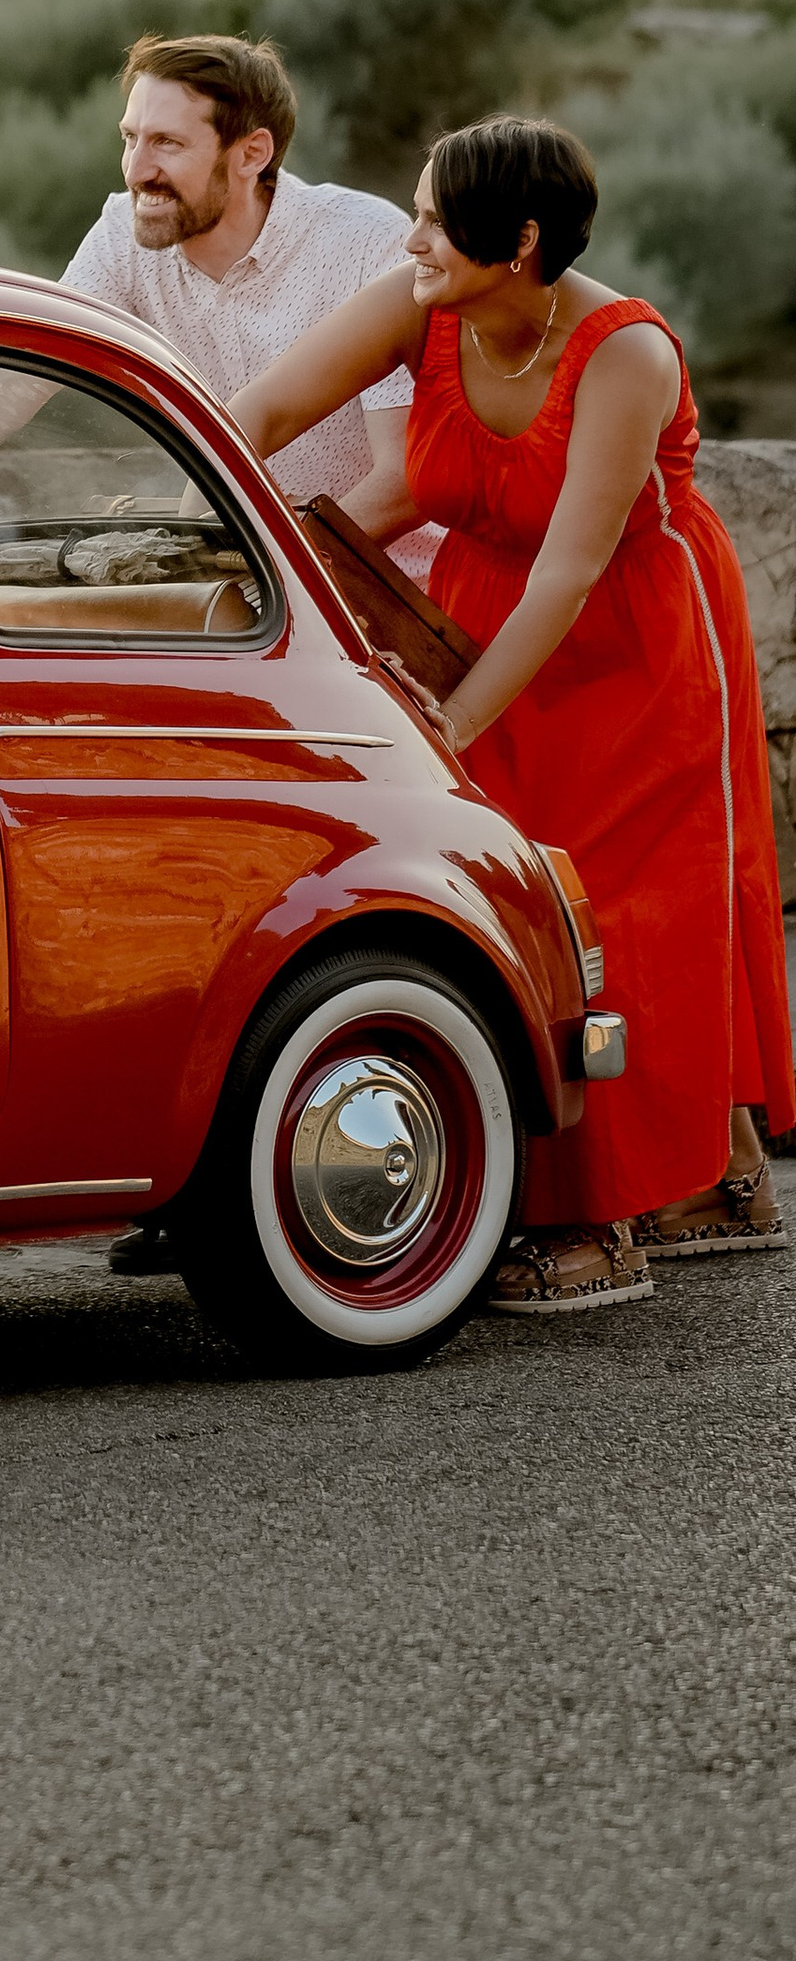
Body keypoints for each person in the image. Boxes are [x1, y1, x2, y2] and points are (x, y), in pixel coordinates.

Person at [228, 115, 796, 1315]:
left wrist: (449, 729)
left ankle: (604, 1220)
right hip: (480, 614)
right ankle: (721, 1175)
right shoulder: (418, 303)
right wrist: (193, 508)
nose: (413, 235)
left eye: (435, 218)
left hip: (630, 641)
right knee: (503, 893)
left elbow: (570, 574)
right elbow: (262, 411)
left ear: (521, 242)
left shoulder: (623, 353)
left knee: (619, 914)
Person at [65, 33, 426, 558]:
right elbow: (5, 384)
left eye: (167, 142)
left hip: (386, 594)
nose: (136, 170)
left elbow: (408, 479)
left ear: (252, 153)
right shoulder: (124, 232)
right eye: (129, 138)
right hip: (238, 582)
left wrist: (283, 576)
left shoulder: (368, 242)